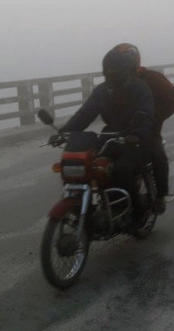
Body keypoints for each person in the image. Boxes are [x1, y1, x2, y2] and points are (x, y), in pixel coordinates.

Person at [57, 48, 155, 223]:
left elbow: (146, 114)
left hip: (134, 136)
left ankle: (137, 213)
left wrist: (137, 134)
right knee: (85, 164)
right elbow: (84, 115)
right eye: (109, 69)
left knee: (121, 169)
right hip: (110, 135)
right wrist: (64, 132)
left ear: (128, 70)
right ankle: (82, 204)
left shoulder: (140, 87)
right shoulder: (102, 91)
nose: (112, 73)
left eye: (117, 69)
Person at [111, 43, 174, 214]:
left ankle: (160, 196)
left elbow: (173, 98)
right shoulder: (115, 81)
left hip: (148, 129)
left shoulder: (152, 78)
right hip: (122, 131)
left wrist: (154, 118)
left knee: (157, 155)